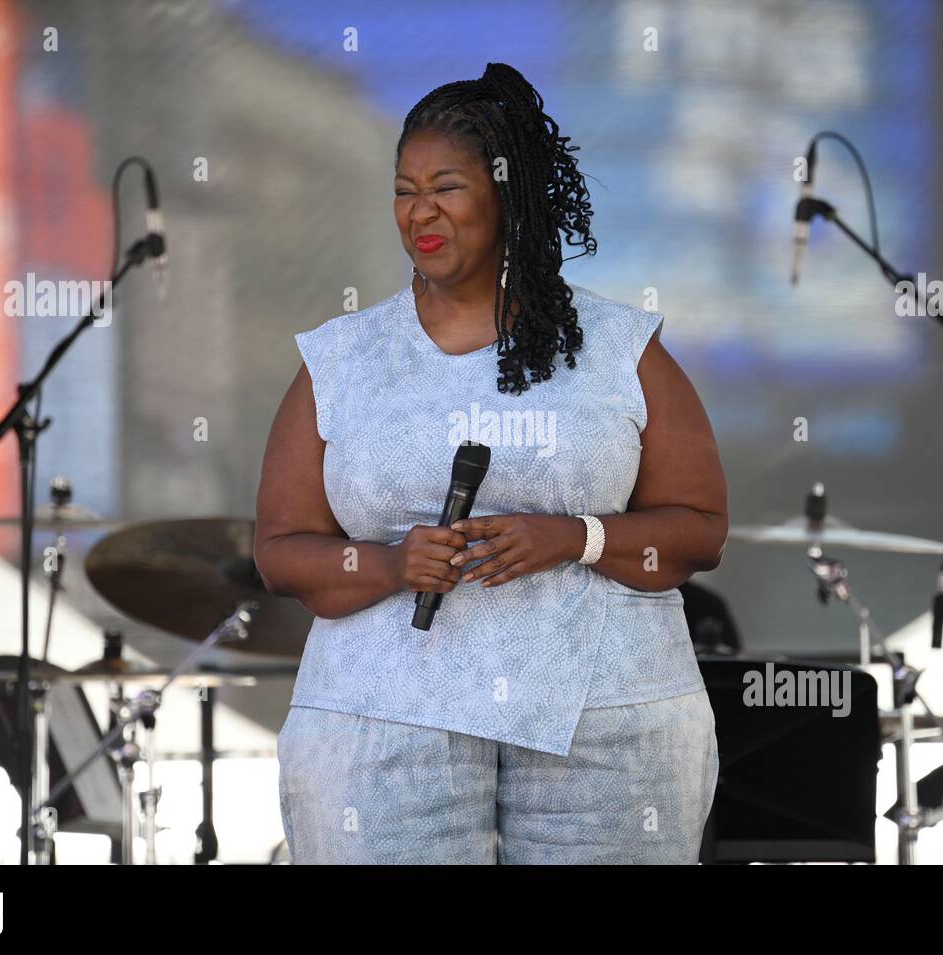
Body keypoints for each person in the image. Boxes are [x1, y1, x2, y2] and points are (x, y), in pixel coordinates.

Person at [255, 62, 728, 864]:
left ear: (511, 197)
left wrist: (574, 537)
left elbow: (699, 531)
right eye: (405, 190)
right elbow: (279, 550)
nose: (421, 211)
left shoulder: (620, 350)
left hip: (607, 726)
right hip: (382, 731)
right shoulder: (342, 360)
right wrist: (390, 561)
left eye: (447, 186)